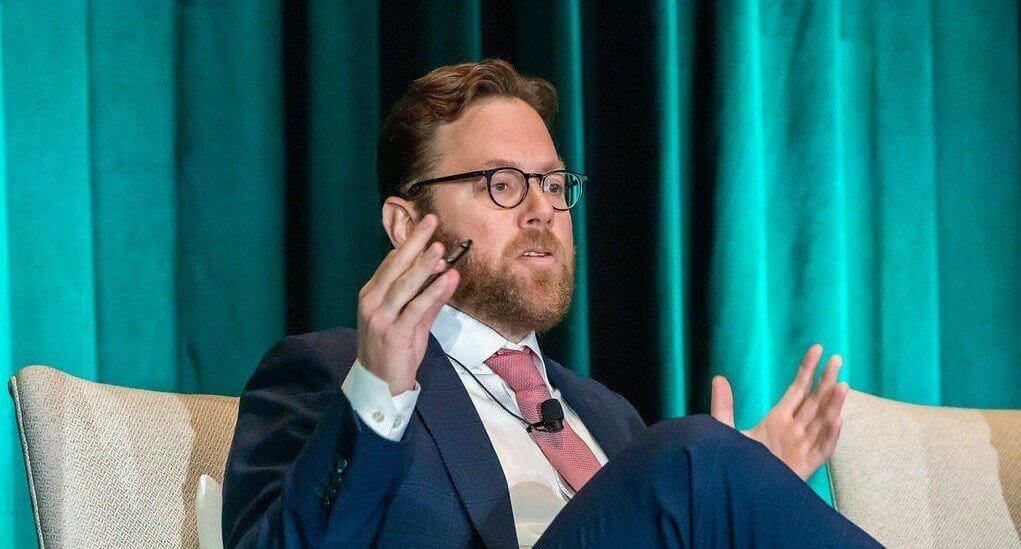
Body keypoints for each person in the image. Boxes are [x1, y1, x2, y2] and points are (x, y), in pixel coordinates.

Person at [222, 58, 879, 548]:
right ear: (404, 224)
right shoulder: (325, 372)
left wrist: (749, 498)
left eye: (556, 184)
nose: (543, 209)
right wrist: (377, 392)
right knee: (693, 458)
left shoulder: (606, 412)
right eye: (503, 184)